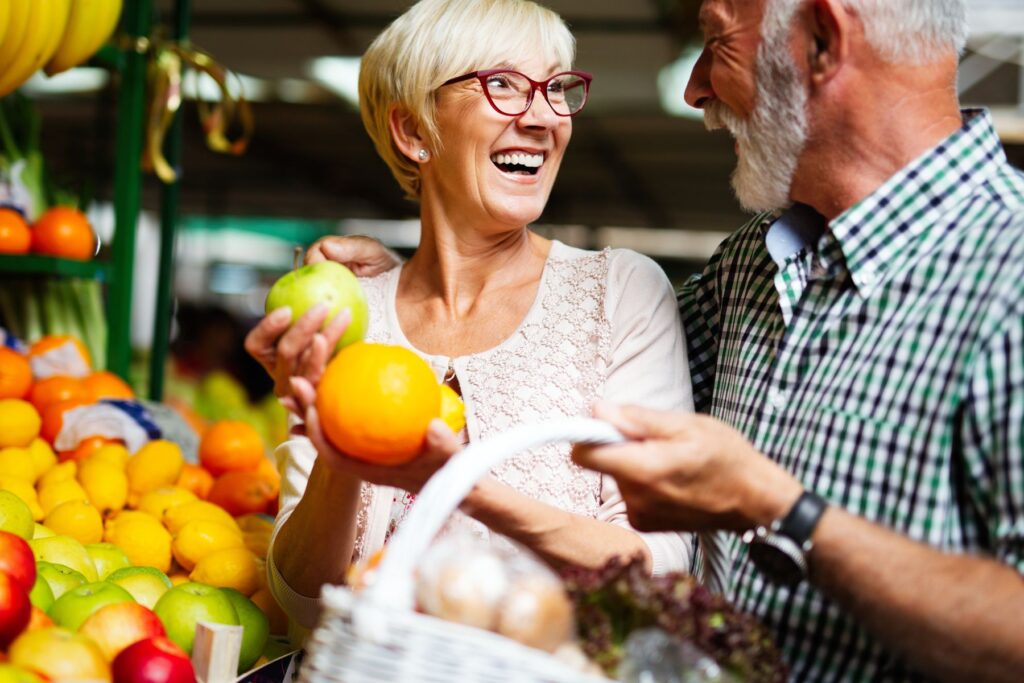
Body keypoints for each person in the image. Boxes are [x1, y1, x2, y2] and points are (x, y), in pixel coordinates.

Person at [312, 1, 1024, 680]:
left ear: (822, 41)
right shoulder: (751, 269)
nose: (693, 90)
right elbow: (565, 334)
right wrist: (391, 288)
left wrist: (784, 511)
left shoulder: (1010, 274)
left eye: (716, 43)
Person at [245, 0, 702, 632]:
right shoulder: (351, 313)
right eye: (505, 86)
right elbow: (302, 601)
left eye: (556, 89)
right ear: (414, 132)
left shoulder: (618, 293)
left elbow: (659, 570)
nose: (544, 117)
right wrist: (337, 447)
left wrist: (457, 483)